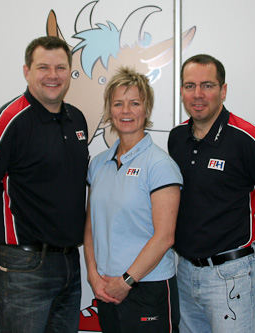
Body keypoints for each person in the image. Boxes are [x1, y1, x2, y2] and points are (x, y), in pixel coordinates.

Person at [0, 36, 89, 333]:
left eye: (60, 68)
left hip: (69, 262)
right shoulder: (9, 121)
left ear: (69, 72)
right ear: (26, 71)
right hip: (22, 264)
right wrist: (11, 224)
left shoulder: (77, 120)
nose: (52, 75)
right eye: (43, 67)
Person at [168, 54, 255, 333]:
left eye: (207, 85)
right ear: (181, 91)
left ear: (223, 90)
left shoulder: (249, 139)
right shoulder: (176, 138)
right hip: (185, 273)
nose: (198, 94)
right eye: (190, 86)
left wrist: (250, 247)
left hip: (232, 277)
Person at [84, 67, 183, 332]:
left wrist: (126, 281)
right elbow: (91, 226)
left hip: (147, 288)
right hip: (106, 288)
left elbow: (165, 237)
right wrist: (93, 276)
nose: (126, 111)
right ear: (109, 110)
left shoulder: (160, 165)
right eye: (118, 103)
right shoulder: (98, 164)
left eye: (134, 103)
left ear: (147, 109)